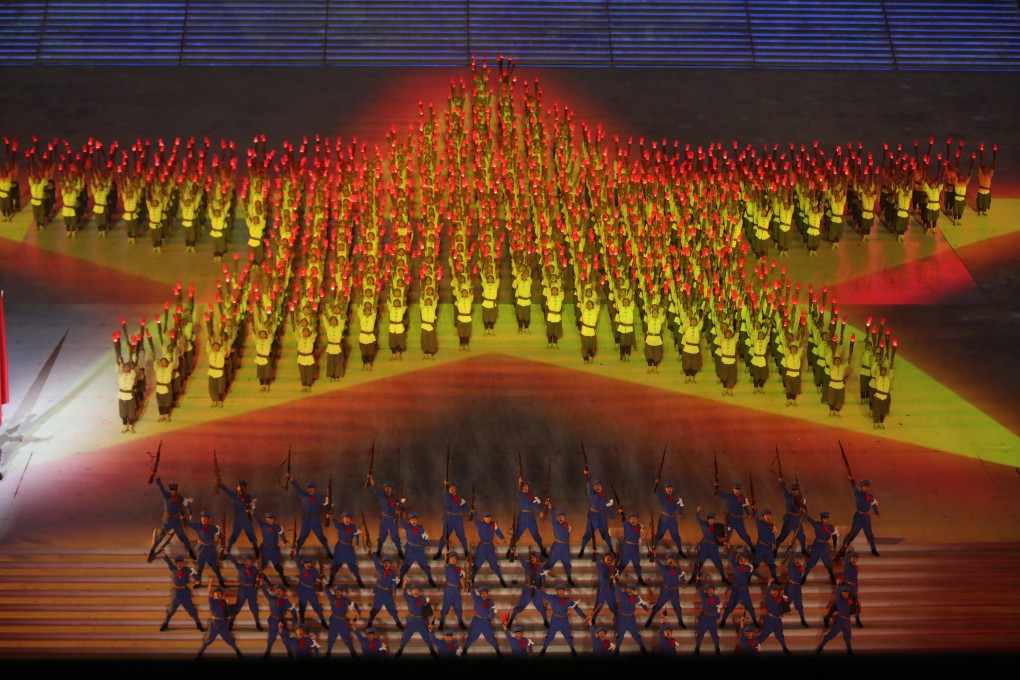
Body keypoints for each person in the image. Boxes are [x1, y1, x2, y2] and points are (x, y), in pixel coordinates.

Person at [537, 582, 587, 656]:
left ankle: (572, 649)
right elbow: (544, 595)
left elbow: (576, 607)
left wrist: (583, 616)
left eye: (562, 590)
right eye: (559, 590)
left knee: (568, 635)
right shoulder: (552, 598)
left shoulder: (568, 600)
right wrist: (536, 589)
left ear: (564, 591)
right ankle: (544, 649)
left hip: (564, 620)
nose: (561, 592)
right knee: (550, 636)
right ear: (557, 591)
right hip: (555, 620)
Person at [150, 478, 195, 561]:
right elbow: (161, 489)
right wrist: (158, 482)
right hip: (167, 520)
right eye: (171, 490)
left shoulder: (179, 497)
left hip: (176, 521)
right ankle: (152, 551)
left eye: (174, 490)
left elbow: (186, 503)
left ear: (176, 490)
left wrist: (190, 513)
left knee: (183, 538)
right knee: (160, 537)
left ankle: (191, 552)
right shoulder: (166, 495)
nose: (172, 492)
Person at [158, 553, 205, 632]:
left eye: (181, 563)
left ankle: (198, 624)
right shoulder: (173, 569)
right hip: (176, 592)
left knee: (191, 609)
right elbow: (169, 562)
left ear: (183, 563)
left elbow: (197, 578)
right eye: (177, 563)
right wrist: (164, 555)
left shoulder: (186, 570)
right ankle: (165, 624)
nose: (179, 565)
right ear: (176, 564)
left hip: (184, 592)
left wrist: (194, 574)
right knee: (171, 610)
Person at [197, 582, 243, 658]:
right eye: (216, 593)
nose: (218, 594)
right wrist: (210, 584)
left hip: (223, 623)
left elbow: (227, 613)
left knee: (229, 639)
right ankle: (200, 652)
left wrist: (228, 608)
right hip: (215, 623)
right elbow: (209, 592)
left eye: (219, 593)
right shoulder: (212, 601)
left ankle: (238, 652)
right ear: (214, 594)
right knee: (209, 639)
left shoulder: (224, 602)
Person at [838, 478, 881, 558]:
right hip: (859, 516)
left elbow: (873, 505)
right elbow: (854, 487)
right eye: (865, 486)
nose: (866, 488)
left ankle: (873, 549)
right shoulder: (858, 494)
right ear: (862, 487)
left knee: (870, 535)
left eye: (868, 486)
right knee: (852, 534)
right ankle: (843, 549)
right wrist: (852, 480)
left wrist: (877, 513)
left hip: (867, 518)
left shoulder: (871, 496)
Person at [507, 550, 550, 628]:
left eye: (534, 557)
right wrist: (516, 553)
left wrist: (539, 587)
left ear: (537, 559)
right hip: (527, 590)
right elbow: (522, 560)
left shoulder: (540, 568)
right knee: (518, 607)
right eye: (531, 557)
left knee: (542, 608)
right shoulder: (527, 566)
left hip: (536, 591)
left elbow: (542, 580)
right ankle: (511, 621)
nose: (532, 559)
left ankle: (545, 621)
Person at [290, 479, 333, 558]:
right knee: (302, 538)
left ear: (314, 489)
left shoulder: (319, 498)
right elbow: (298, 489)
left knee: (321, 537)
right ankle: (296, 553)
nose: (310, 490)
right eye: (309, 488)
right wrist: (292, 480)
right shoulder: (304, 495)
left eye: (312, 488)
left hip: (315, 521)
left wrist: (328, 511)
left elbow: (327, 505)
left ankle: (328, 552)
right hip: (306, 521)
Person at [644, 553, 688, 629]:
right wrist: (654, 555)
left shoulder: (678, 569)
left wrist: (683, 581)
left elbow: (683, 580)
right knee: (658, 605)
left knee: (677, 607)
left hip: (674, 590)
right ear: (667, 561)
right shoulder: (663, 567)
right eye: (669, 559)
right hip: (666, 589)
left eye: (673, 559)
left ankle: (680, 621)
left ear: (675, 561)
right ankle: (650, 619)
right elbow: (657, 561)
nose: (671, 560)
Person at [718, 549, 759, 628]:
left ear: (745, 559)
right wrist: (729, 549)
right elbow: (731, 557)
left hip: (744, 590)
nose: (741, 559)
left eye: (743, 558)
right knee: (729, 606)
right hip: (736, 590)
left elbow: (755, 573)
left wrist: (763, 577)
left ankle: (754, 621)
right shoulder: (735, 565)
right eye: (740, 558)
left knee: (749, 606)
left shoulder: (748, 568)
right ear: (738, 559)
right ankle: (723, 620)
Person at [577, 471, 613, 559]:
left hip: (602, 517)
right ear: (593, 488)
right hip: (593, 516)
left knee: (606, 535)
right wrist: (587, 476)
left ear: (602, 487)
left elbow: (607, 506)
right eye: (596, 486)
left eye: (599, 485)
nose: (597, 487)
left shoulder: (605, 496)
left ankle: (612, 550)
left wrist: (612, 515)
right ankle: (582, 550)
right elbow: (588, 484)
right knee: (588, 534)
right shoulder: (592, 494)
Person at [395, 582, 437, 657]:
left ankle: (432, 650)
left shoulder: (423, 599)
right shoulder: (409, 598)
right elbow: (404, 594)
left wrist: (430, 623)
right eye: (413, 590)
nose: (415, 591)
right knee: (406, 637)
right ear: (411, 591)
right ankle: (400, 650)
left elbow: (428, 611)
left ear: (419, 591)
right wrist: (404, 586)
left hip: (421, 621)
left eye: (417, 590)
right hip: (412, 621)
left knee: (427, 637)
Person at [367, 474, 404, 558]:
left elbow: (400, 507)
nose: (388, 489)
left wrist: (399, 511)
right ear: (384, 489)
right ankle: (379, 552)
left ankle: (400, 552)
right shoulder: (382, 496)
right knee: (381, 537)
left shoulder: (395, 498)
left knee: (395, 537)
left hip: (393, 520)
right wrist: (371, 478)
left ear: (391, 489)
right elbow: (375, 487)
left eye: (389, 487)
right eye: (386, 488)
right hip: (384, 519)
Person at [186, 510, 225, 589]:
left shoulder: (212, 527)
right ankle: (198, 582)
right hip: (202, 549)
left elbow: (220, 534)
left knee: (215, 567)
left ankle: (221, 581)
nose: (203, 519)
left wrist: (220, 537)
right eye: (202, 518)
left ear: (208, 519)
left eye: (205, 518)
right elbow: (188, 523)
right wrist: (184, 518)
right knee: (200, 567)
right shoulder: (197, 526)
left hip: (210, 549)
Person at [220, 479, 258, 557]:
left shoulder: (248, 497)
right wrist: (220, 484)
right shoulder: (235, 496)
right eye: (239, 487)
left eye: (242, 487)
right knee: (232, 538)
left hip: (247, 521)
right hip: (238, 522)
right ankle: (227, 552)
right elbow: (227, 490)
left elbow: (251, 507)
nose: (240, 488)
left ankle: (257, 552)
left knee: (252, 538)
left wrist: (252, 505)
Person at [225, 553, 263, 631]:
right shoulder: (241, 567)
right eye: (245, 560)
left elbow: (260, 577)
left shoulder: (255, 569)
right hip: (242, 589)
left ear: (251, 562)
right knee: (237, 607)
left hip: (252, 590)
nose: (246, 562)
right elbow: (234, 561)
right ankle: (231, 623)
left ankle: (257, 623)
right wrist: (227, 554)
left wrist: (262, 581)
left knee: (254, 608)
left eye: (248, 560)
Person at [398, 511, 436, 587]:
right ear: (410, 521)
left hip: (419, 551)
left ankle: (430, 580)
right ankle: (400, 581)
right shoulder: (408, 527)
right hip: (410, 551)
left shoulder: (421, 528)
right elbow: (401, 521)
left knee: (425, 566)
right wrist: (400, 515)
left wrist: (426, 545)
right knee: (405, 567)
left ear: (417, 520)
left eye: (415, 520)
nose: (413, 521)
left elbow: (425, 537)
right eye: (412, 520)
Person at [327, 511, 365, 587]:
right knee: (335, 566)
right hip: (340, 548)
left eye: (348, 518)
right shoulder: (340, 526)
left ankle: (359, 581)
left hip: (349, 549)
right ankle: (330, 582)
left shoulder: (353, 527)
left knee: (353, 566)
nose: (347, 520)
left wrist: (357, 543)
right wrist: (331, 517)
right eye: (345, 518)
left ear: (350, 519)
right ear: (343, 519)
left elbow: (356, 534)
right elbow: (335, 523)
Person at [365, 554, 403, 630]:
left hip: (387, 593)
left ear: (390, 564)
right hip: (379, 592)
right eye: (385, 563)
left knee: (392, 609)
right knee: (375, 609)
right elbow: (375, 561)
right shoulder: (380, 569)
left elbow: (395, 582)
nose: (386, 564)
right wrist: (373, 553)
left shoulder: (393, 573)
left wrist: (394, 590)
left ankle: (398, 623)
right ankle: (369, 623)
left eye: (388, 563)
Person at [512, 477, 548, 557]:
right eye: (523, 486)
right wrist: (519, 482)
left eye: (526, 486)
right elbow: (519, 489)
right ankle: (510, 551)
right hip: (522, 517)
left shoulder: (531, 496)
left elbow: (535, 504)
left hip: (531, 517)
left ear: (528, 487)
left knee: (536, 534)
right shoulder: (520, 494)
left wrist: (540, 512)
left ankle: (542, 550)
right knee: (517, 534)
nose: (524, 487)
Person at [435, 480, 470, 560]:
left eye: (453, 487)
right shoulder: (447, 496)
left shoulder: (459, 497)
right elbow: (444, 494)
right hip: (449, 519)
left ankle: (466, 552)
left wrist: (468, 512)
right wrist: (445, 486)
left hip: (458, 519)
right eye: (450, 487)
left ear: (456, 489)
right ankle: (439, 552)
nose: (451, 489)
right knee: (444, 536)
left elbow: (463, 507)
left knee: (462, 537)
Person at [692, 508, 729, 584]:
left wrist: (726, 527)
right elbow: (698, 519)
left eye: (712, 519)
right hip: (704, 546)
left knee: (718, 563)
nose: (711, 520)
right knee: (699, 562)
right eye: (710, 519)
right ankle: (693, 577)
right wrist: (697, 512)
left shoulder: (718, 526)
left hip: (713, 547)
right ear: (707, 519)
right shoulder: (704, 524)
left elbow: (725, 529)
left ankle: (723, 577)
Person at [817, 583, 856, 654]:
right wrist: (838, 585)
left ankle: (849, 649)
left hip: (847, 621)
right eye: (844, 593)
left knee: (848, 636)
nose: (846, 594)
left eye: (847, 593)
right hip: (840, 621)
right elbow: (837, 595)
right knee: (831, 635)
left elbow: (851, 610)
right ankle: (821, 646)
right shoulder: (839, 601)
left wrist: (855, 610)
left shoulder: (849, 600)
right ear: (841, 593)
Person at [462, 585, 501, 656]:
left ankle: (498, 651)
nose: (484, 595)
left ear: (487, 594)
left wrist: (492, 617)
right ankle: (464, 650)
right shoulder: (476, 599)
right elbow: (472, 592)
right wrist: (470, 584)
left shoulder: (490, 602)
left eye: (485, 593)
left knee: (491, 638)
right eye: (482, 593)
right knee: (472, 637)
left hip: (486, 621)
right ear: (480, 594)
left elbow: (494, 609)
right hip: (477, 620)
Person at [471, 510, 507, 586]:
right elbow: (474, 519)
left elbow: (497, 531)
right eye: (486, 517)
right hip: (482, 547)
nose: (488, 519)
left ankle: (501, 579)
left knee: (494, 565)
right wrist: (474, 512)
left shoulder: (493, 524)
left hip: (490, 547)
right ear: (484, 518)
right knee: (477, 564)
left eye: (489, 517)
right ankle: (472, 579)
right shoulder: (480, 524)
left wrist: (502, 538)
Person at [802, 510, 839, 585]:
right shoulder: (817, 525)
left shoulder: (830, 527)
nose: (826, 520)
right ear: (821, 519)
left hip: (824, 546)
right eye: (824, 519)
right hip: (817, 545)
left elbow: (834, 535)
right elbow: (810, 520)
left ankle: (832, 576)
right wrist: (804, 513)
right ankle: (804, 576)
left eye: (827, 519)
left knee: (828, 563)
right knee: (811, 562)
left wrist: (835, 545)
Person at [652, 480, 686, 558]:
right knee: (659, 535)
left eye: (670, 488)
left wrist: (680, 513)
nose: (669, 489)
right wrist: (657, 483)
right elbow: (656, 489)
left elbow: (680, 506)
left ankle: (680, 551)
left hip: (672, 520)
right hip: (664, 519)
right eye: (668, 488)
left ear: (672, 489)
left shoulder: (676, 498)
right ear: (665, 489)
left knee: (676, 536)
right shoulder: (662, 496)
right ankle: (653, 550)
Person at [543, 505, 575, 587]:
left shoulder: (566, 525)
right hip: (558, 547)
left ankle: (569, 579)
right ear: (557, 517)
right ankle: (541, 578)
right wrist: (550, 508)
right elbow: (552, 517)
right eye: (559, 516)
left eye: (562, 516)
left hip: (565, 547)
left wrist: (569, 530)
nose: (561, 518)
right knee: (550, 563)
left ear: (564, 517)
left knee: (567, 564)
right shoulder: (555, 524)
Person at [613, 581, 649, 654]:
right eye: (628, 589)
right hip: (622, 618)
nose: (630, 591)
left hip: (631, 619)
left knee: (636, 634)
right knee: (620, 635)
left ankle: (642, 647)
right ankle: (617, 650)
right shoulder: (622, 595)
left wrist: (646, 608)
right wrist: (614, 582)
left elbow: (643, 605)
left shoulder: (636, 598)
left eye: (632, 590)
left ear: (634, 591)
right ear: (626, 589)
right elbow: (617, 588)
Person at [324, 584, 360, 658]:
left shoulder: (345, 600)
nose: (337, 593)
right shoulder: (332, 598)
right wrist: (324, 585)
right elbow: (327, 591)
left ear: (342, 592)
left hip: (342, 622)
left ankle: (353, 653)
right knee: (331, 637)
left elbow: (354, 604)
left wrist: (358, 611)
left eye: (339, 591)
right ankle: (328, 653)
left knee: (346, 638)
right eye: (336, 591)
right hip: (334, 620)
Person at [776, 478, 808, 557]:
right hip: (790, 519)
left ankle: (803, 550)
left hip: (797, 519)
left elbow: (804, 508)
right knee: (782, 535)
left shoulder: (800, 498)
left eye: (796, 490)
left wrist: (804, 509)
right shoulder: (788, 496)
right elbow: (784, 490)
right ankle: (774, 550)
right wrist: (781, 482)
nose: (795, 491)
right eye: (793, 490)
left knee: (802, 536)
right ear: (792, 490)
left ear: (798, 491)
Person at [716, 481, 754, 550]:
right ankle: (725, 549)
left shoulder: (742, 498)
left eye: (738, 489)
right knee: (727, 534)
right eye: (736, 489)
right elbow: (720, 493)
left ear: (740, 490)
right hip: (730, 520)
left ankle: (752, 547)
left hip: (739, 521)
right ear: (733, 490)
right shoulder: (729, 496)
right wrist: (716, 486)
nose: (737, 491)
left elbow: (745, 507)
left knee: (744, 536)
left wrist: (749, 515)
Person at [256, 511, 290, 586]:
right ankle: (265, 584)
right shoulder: (263, 525)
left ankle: (284, 581)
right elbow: (256, 518)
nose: (270, 520)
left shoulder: (277, 527)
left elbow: (281, 534)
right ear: (266, 519)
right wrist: (254, 509)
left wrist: (284, 541)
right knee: (260, 569)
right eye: (268, 518)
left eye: (271, 518)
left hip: (274, 550)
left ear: (273, 519)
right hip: (265, 549)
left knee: (279, 568)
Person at [294, 555, 328, 629]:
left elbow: (318, 578)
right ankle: (302, 623)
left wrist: (319, 579)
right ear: (304, 563)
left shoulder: (313, 571)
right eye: (306, 563)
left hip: (311, 591)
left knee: (317, 607)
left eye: (309, 563)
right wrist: (299, 554)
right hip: (302, 590)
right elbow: (296, 558)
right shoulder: (301, 567)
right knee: (302, 607)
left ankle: (323, 621)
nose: (308, 565)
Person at [759, 578, 792, 654]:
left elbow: (784, 610)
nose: (775, 592)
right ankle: (756, 645)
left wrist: (785, 603)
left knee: (780, 636)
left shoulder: (780, 599)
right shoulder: (768, 598)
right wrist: (769, 584)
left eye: (776, 590)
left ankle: (784, 648)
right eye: (773, 590)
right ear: (770, 591)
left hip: (777, 620)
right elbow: (767, 592)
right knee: (764, 635)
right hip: (769, 620)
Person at [438, 552, 468, 631]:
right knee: (445, 607)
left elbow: (461, 579)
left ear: (457, 560)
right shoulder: (447, 567)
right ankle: (441, 623)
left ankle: (461, 622)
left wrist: (463, 587)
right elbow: (444, 562)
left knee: (458, 607)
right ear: (449, 560)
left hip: (456, 591)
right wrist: (445, 555)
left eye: (455, 558)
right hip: (449, 590)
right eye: (451, 558)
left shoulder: (459, 569)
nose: (453, 559)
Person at [616, 510, 646, 585]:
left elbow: (641, 528)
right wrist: (622, 513)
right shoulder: (627, 525)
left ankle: (640, 578)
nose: (633, 520)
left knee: (637, 564)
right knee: (622, 564)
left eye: (635, 519)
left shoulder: (639, 526)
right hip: (627, 547)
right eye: (632, 519)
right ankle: (616, 577)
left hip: (634, 548)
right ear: (629, 520)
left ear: (637, 520)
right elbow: (623, 519)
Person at [693, 582, 722, 656]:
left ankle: (717, 650)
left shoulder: (717, 598)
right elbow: (700, 590)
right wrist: (705, 584)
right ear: (706, 590)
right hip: (704, 618)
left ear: (713, 590)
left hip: (712, 618)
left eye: (711, 589)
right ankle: (697, 649)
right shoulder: (704, 596)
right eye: (708, 589)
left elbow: (718, 608)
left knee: (715, 635)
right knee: (700, 635)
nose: (710, 591)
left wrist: (718, 616)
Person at [752, 508, 778, 580]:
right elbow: (755, 516)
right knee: (755, 565)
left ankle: (774, 579)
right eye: (766, 515)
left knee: (771, 565)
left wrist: (773, 542)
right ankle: (748, 577)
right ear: (763, 517)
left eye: (769, 515)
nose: (768, 517)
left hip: (768, 548)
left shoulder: (771, 525)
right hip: (760, 547)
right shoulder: (760, 523)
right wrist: (754, 509)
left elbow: (772, 535)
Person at [785, 553, 810, 628]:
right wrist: (793, 555)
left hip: (798, 587)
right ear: (793, 560)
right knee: (787, 602)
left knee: (799, 605)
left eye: (799, 559)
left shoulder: (800, 567)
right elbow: (790, 557)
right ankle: (776, 617)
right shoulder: (791, 565)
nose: (798, 560)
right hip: (791, 587)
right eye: (796, 559)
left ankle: (803, 620)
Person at [870, 362, 893, 429]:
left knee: (883, 410)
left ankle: (881, 422)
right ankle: (876, 423)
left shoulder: (888, 378)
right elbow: (877, 371)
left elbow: (891, 373)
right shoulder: (878, 377)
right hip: (878, 396)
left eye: (885, 371)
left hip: (885, 397)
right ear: (880, 372)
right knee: (876, 409)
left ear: (886, 372)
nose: (883, 372)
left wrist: (891, 367)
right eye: (882, 371)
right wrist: (878, 365)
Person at [116, 360, 138, 433]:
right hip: (122, 396)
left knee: (131, 412)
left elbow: (134, 369)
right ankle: (124, 426)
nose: (126, 368)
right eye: (124, 367)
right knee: (123, 412)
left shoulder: (132, 375)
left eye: (127, 367)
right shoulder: (120, 375)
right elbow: (118, 368)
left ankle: (131, 426)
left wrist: (132, 359)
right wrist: (118, 361)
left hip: (129, 396)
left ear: (129, 368)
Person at [579, 297, 600, 364]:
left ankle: (591, 356)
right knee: (585, 345)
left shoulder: (595, 311)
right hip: (584, 331)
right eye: (588, 304)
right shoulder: (583, 310)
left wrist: (598, 301)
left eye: (590, 304)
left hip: (592, 332)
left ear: (592, 305)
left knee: (592, 345)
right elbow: (582, 304)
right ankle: (585, 358)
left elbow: (598, 305)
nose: (589, 305)